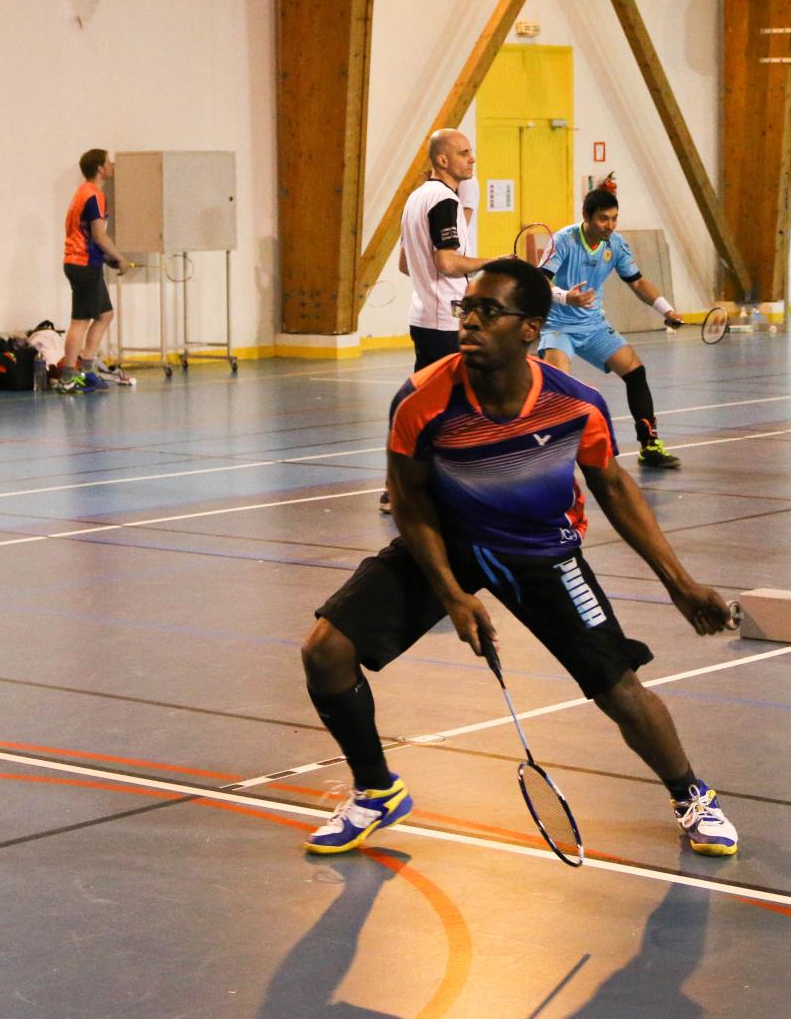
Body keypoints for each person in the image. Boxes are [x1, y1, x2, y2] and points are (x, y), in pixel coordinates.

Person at [299, 258, 740, 858]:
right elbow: (408, 498)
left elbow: (613, 487)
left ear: (530, 328)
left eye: (489, 312)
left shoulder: (575, 404)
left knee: (618, 687)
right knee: (326, 651)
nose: (470, 322)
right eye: (467, 309)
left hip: (543, 550)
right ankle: (377, 790)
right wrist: (451, 592)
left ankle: (691, 794)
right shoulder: (422, 400)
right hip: (452, 542)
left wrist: (679, 583)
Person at [537, 187, 687, 469]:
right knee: (558, 385)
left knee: (635, 371)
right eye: (603, 219)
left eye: (614, 218)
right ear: (586, 216)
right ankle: (548, 451)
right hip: (558, 326)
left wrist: (666, 310)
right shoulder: (564, 240)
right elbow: (539, 280)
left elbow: (637, 282)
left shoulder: (615, 244)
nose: (610, 225)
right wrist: (567, 297)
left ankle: (649, 445)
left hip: (593, 325)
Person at [384, 128, 489, 513]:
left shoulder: (415, 198)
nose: (471, 159)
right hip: (444, 321)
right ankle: (442, 486)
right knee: (452, 406)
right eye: (463, 153)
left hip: (424, 317)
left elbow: (405, 263)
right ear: (442, 160)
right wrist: (493, 263)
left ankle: (397, 488)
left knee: (422, 406)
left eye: (471, 152)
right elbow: (446, 262)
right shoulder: (444, 201)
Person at [61, 148, 127, 390]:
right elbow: (99, 235)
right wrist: (119, 258)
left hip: (87, 262)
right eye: (108, 162)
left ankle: (86, 369)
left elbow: (86, 234)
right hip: (83, 264)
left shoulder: (82, 193)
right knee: (80, 321)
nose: (112, 166)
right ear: (100, 169)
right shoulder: (93, 196)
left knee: (105, 315)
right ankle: (68, 378)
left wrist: (105, 257)